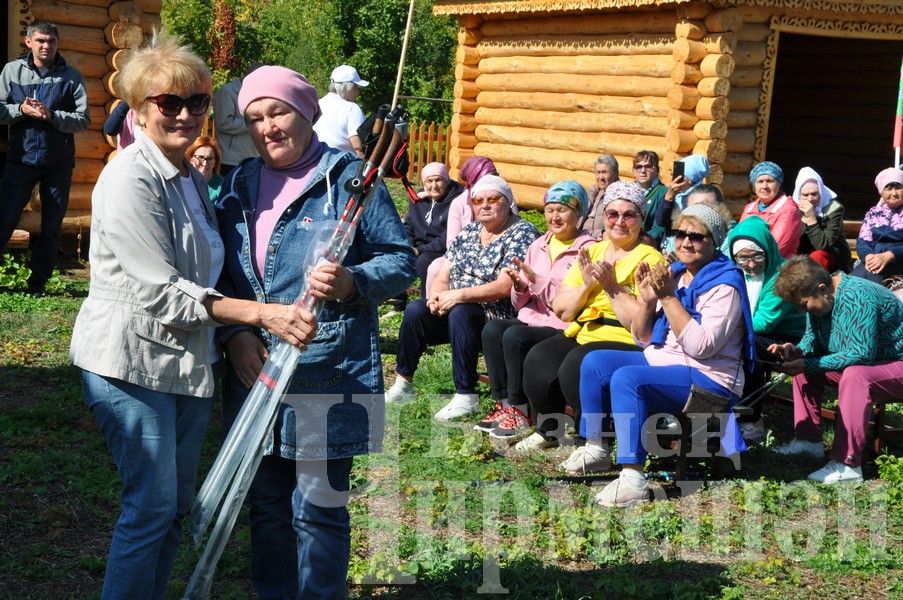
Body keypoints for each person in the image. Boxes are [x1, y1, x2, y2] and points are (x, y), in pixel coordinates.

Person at [68, 33, 318, 600]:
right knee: (150, 510)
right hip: (130, 363)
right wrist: (260, 315)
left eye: (197, 102)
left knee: (175, 509)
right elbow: (162, 292)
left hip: (185, 365)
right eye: (169, 103)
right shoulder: (129, 178)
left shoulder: (190, 178)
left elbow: (210, 269)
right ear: (139, 109)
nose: (185, 114)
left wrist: (232, 332)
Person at [216, 65, 415, 599]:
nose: (267, 128)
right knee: (266, 507)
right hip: (255, 366)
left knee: (317, 508)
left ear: (308, 112)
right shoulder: (237, 185)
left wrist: (352, 281)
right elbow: (222, 276)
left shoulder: (350, 179)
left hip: (326, 366)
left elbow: (401, 261)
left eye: (278, 112)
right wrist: (235, 335)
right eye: (254, 118)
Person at [571, 204, 753, 505]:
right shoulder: (678, 274)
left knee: (629, 379)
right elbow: (644, 338)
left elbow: (701, 346)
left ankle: (633, 477)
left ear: (714, 241)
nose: (685, 242)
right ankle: (597, 449)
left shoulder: (725, 285)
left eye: (696, 236)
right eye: (680, 234)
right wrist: (647, 300)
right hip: (667, 361)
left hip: (710, 379)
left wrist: (667, 297)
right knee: (595, 362)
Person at [514, 182, 666, 457]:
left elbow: (640, 324)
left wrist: (612, 288)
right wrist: (586, 285)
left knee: (577, 364)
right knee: (539, 358)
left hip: (621, 337)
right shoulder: (593, 251)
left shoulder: (650, 258)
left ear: (641, 219)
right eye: (612, 214)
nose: (619, 221)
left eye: (628, 215)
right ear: (603, 217)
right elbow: (562, 309)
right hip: (583, 329)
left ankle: (595, 443)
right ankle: (548, 430)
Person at [385, 175, 539, 421]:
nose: (484, 205)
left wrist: (457, 296)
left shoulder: (521, 232)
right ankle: (403, 384)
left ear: (507, 202)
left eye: (493, 199)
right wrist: (436, 296)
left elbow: (502, 286)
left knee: (462, 311)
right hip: (458, 307)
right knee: (416, 309)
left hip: (495, 315)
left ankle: (466, 394)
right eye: (478, 201)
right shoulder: (470, 231)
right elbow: (444, 273)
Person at [476, 181, 595, 438]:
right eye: (549, 209)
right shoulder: (538, 245)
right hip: (533, 318)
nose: (554, 216)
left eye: (562, 210)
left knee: (515, 337)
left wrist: (538, 282)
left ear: (579, 214)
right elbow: (521, 304)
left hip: (563, 325)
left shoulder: (588, 250)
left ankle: (521, 412)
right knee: (493, 330)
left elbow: (571, 305)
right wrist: (519, 287)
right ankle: (504, 403)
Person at [770, 256, 903, 484]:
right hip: (874, 363)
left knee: (856, 376)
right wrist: (796, 351)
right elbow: (812, 339)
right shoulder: (821, 299)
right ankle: (808, 441)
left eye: (803, 305)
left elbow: (861, 353)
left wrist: (809, 363)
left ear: (822, 289)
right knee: (802, 369)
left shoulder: (858, 296)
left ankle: (848, 464)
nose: (802, 311)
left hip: (895, 361)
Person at [0, 20, 90, 294]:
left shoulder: (71, 77)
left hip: (57, 163)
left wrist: (52, 116)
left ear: (57, 44)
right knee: (3, 219)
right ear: (28, 42)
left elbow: (83, 120)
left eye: (51, 41)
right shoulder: (11, 71)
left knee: (51, 226)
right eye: (40, 40)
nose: (45, 46)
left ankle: (36, 285)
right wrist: (21, 110)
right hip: (21, 159)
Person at [726, 215, 806, 441]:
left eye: (757, 256)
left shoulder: (781, 276)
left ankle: (751, 420)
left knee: (744, 345)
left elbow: (765, 322)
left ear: (768, 250)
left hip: (789, 338)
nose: (750, 265)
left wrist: (726, 326)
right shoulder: (736, 272)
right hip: (753, 331)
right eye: (743, 258)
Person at [423, 155, 501, 293]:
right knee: (435, 267)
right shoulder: (459, 203)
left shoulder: (504, 199)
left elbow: (513, 227)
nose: (490, 182)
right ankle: (431, 305)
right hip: (463, 256)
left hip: (496, 255)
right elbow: (452, 243)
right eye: (485, 178)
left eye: (494, 176)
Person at [402, 161, 462, 296]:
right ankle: (398, 297)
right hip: (417, 248)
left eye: (438, 180)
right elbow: (408, 226)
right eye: (429, 181)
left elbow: (449, 236)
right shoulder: (418, 200)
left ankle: (426, 300)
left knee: (424, 261)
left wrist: (420, 250)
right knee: (397, 254)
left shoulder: (456, 201)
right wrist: (407, 246)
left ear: (446, 181)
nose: (433, 185)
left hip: (441, 251)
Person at [792, 167, 852, 272]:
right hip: (803, 253)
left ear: (821, 192)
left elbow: (823, 245)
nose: (810, 199)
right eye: (805, 195)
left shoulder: (834, 208)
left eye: (814, 194)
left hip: (831, 255)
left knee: (817, 256)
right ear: (799, 195)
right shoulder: (793, 208)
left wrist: (811, 219)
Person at [739, 161, 801, 259]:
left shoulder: (788, 210)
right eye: (760, 181)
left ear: (779, 184)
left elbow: (775, 248)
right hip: (746, 261)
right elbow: (738, 237)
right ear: (754, 186)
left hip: (777, 267)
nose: (764, 186)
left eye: (770, 181)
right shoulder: (749, 208)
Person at [851, 167, 903, 285]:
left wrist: (889, 255)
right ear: (881, 192)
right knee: (849, 284)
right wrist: (868, 256)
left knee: (869, 285)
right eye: (888, 189)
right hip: (874, 261)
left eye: (898, 188)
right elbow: (863, 240)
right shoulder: (873, 213)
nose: (893, 193)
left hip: (898, 262)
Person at [653, 154, 711, 248]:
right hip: (668, 246)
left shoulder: (699, 198)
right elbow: (660, 221)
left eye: (680, 175)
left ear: (690, 180)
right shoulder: (675, 195)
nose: (674, 177)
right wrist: (668, 198)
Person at [213, 64, 260, 176]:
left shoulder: (255, 92)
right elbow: (224, 123)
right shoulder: (227, 91)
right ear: (248, 76)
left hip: (252, 158)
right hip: (230, 160)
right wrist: (253, 123)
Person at [312, 64, 369, 157]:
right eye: (356, 87)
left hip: (315, 163)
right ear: (348, 87)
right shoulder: (351, 108)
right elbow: (358, 146)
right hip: (342, 166)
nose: (358, 92)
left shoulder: (317, 104)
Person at [631, 150, 668, 244]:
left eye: (648, 166)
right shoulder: (629, 190)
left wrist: (640, 242)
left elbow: (659, 227)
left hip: (647, 243)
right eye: (639, 167)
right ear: (634, 171)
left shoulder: (664, 192)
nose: (643, 171)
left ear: (656, 170)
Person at [581, 154, 620, 236]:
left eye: (605, 172)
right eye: (598, 172)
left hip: (599, 242)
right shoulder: (595, 192)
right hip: (580, 238)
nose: (601, 177)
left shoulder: (620, 196)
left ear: (616, 173)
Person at [186, 135, 224, 204]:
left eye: (210, 159)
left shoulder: (223, 186)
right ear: (190, 158)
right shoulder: (183, 182)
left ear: (216, 161)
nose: (205, 163)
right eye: (200, 157)